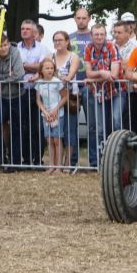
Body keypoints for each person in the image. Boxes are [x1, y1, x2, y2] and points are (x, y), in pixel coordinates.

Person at [0, 34, 24, 172]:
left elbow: (19, 74)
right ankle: (0, 155)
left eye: (5, 44)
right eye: (0, 46)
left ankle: (15, 161)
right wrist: (5, 78)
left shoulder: (15, 52)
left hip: (17, 95)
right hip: (1, 97)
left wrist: (0, 80)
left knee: (16, 127)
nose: (4, 48)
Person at [84, 24, 121, 167]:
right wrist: (100, 73)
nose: (99, 37)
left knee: (116, 122)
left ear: (105, 35)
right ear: (91, 36)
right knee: (99, 128)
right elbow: (88, 73)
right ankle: (99, 161)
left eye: (101, 34)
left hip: (116, 90)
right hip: (98, 92)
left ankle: (117, 158)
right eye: (96, 34)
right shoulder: (88, 48)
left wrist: (93, 79)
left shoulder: (112, 47)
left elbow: (114, 75)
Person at [17, 19, 48, 167]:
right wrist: (33, 67)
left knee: (37, 126)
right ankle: (26, 159)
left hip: (38, 91)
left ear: (34, 32)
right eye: (22, 29)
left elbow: (43, 68)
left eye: (27, 29)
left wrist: (24, 66)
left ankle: (38, 159)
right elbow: (15, 69)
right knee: (23, 125)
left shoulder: (42, 49)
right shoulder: (16, 48)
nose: (24, 31)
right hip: (21, 91)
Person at [52, 31, 80, 169]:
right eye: (55, 40)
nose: (58, 42)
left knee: (70, 130)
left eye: (60, 40)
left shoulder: (73, 57)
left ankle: (68, 162)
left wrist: (66, 78)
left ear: (67, 41)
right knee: (57, 131)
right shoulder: (50, 57)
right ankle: (57, 163)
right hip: (53, 99)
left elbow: (72, 73)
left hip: (70, 97)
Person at [69, 8, 92, 164]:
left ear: (89, 18)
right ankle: (72, 161)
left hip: (90, 86)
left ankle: (94, 161)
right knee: (71, 126)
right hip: (72, 87)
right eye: (79, 18)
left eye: (84, 18)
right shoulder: (69, 38)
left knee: (92, 125)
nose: (81, 20)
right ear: (74, 19)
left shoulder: (95, 36)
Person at [36, 58, 66, 174]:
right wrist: (44, 111)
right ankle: (51, 165)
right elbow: (38, 100)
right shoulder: (39, 83)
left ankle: (58, 166)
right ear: (42, 70)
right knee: (49, 140)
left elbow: (64, 97)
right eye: (47, 68)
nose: (49, 70)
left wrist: (55, 110)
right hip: (46, 115)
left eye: (51, 68)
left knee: (57, 139)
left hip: (58, 114)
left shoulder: (57, 81)